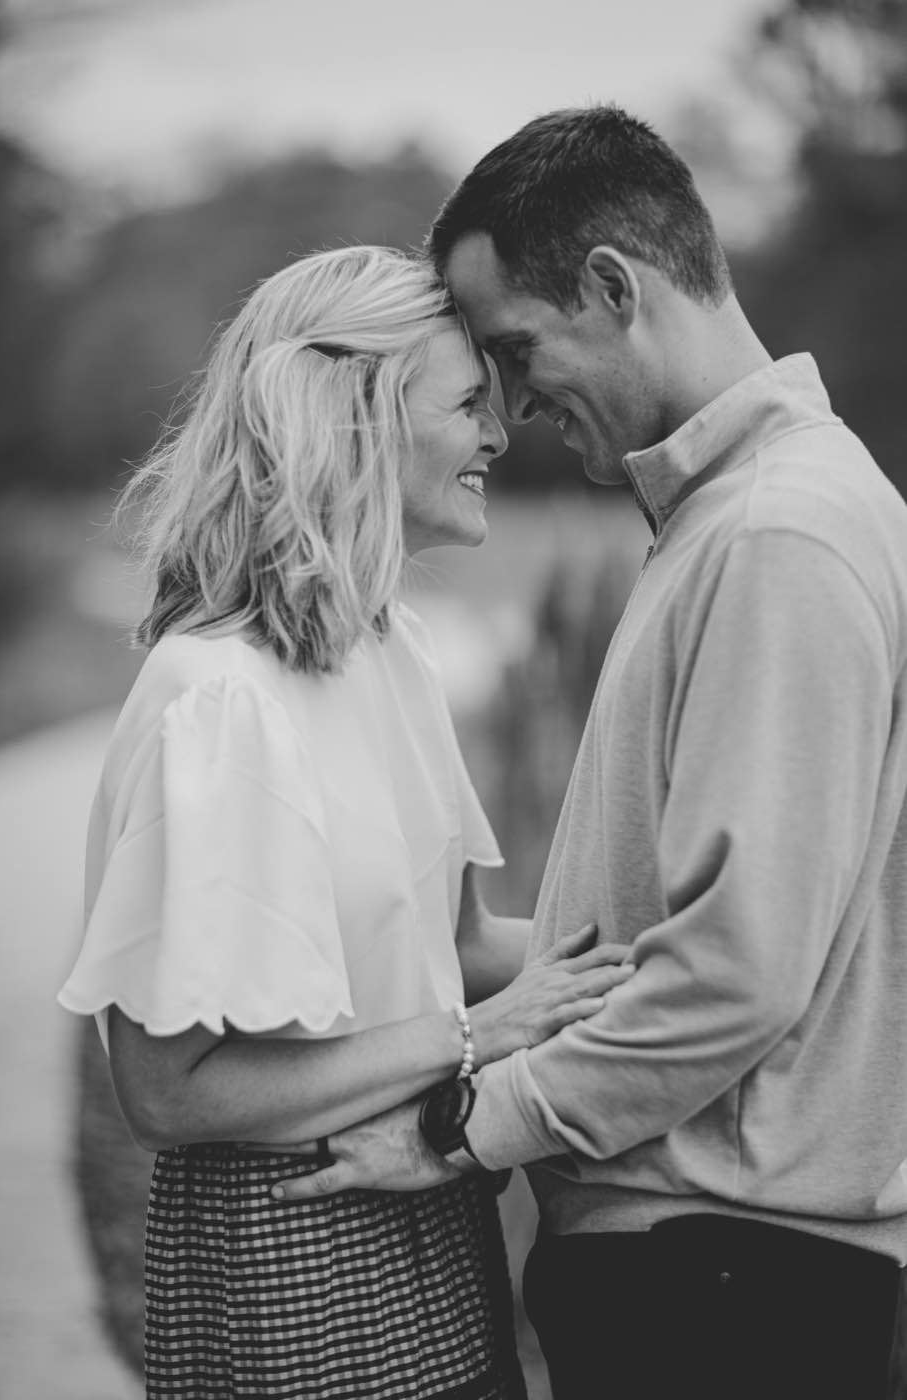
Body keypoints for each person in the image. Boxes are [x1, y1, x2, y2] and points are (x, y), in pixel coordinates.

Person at [269, 108, 907, 1400]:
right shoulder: (738, 519)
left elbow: (735, 971)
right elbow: (645, 936)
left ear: (614, 287)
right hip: (721, 1269)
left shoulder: (773, 537)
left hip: (726, 1283)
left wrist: (464, 1129)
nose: (507, 406)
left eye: (515, 349)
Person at [56, 244, 636, 1400]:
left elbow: (459, 948)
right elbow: (164, 1089)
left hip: (433, 1204)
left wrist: (678, 957)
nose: (498, 436)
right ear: (357, 416)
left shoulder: (394, 650)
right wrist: (477, 1038)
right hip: (288, 1250)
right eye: (468, 402)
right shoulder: (217, 698)